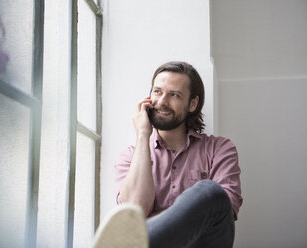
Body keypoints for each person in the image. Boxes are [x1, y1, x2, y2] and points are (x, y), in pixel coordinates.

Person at [93, 61, 242, 248]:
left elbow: (225, 208)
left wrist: (160, 218)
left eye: (174, 95)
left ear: (192, 104)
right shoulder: (130, 157)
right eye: (157, 92)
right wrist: (142, 135)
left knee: (210, 191)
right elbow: (133, 213)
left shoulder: (219, 149)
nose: (162, 102)